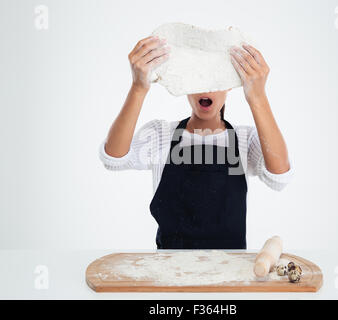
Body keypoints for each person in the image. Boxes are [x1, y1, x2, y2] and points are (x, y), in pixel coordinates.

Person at [99, 35, 293, 249]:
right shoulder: (160, 134)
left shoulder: (245, 139)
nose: (205, 88)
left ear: (230, 85)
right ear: (184, 86)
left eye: (215, 79)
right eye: (196, 79)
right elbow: (113, 158)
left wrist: (257, 97)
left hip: (230, 274)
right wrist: (138, 87)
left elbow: (280, 178)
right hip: (169, 272)